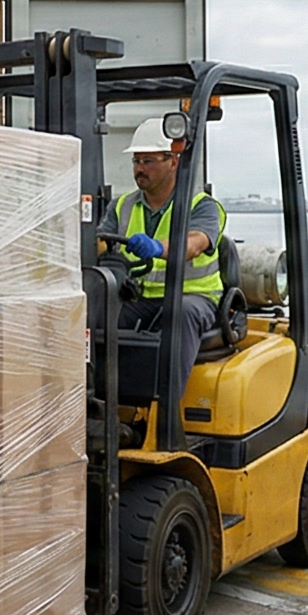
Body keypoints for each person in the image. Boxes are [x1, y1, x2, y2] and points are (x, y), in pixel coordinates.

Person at [109, 118, 227, 408]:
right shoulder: (121, 205)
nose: (139, 168)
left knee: (180, 312)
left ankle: (166, 414)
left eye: (148, 161)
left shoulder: (202, 206)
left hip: (195, 299)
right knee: (94, 312)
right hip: (139, 297)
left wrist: (156, 247)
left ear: (173, 161)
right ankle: (100, 404)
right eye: (137, 161)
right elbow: (102, 242)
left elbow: (194, 243)